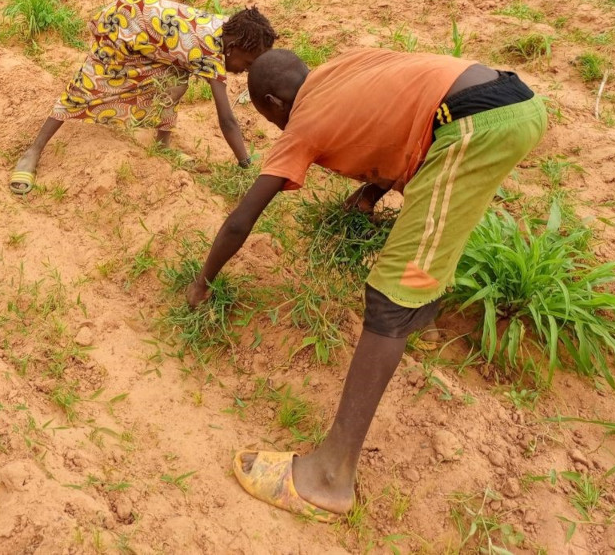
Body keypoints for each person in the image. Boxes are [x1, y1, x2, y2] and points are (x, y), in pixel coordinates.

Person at [185, 47, 547, 520]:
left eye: (270, 119)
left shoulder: (303, 124)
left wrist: (201, 282)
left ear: (273, 102)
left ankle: (329, 478)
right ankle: (423, 325)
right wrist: (371, 192)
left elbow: (242, 220)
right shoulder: (338, 71)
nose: (276, 128)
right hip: (502, 101)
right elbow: (404, 117)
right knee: (429, 238)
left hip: (474, 125)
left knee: (387, 294)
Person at [9, 0, 278, 195]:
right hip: (124, 25)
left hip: (146, 20)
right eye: (247, 64)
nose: (244, 71)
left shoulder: (226, 29)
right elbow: (227, 120)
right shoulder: (208, 52)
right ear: (231, 48)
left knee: (176, 81)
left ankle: (162, 145)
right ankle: (33, 151)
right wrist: (246, 165)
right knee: (88, 85)